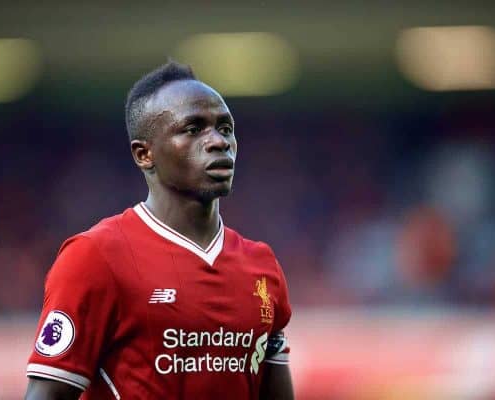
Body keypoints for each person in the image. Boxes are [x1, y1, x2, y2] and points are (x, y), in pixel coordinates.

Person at [24, 62, 294, 400]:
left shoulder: (262, 266)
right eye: (193, 129)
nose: (218, 142)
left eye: (225, 128)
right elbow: (45, 395)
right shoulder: (95, 257)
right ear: (144, 154)